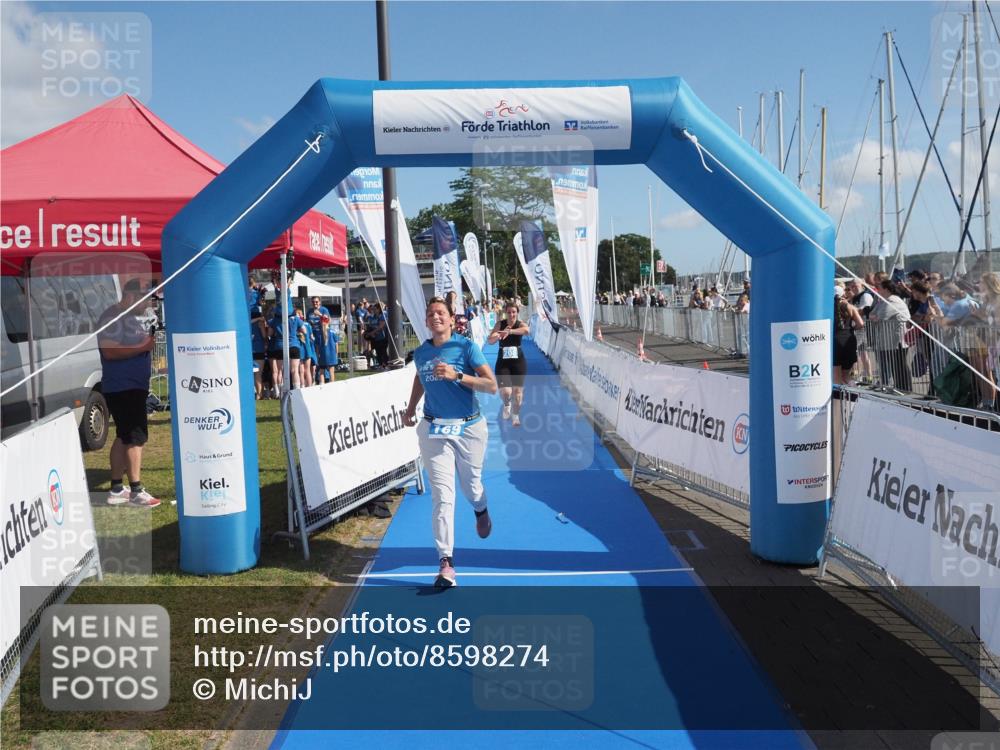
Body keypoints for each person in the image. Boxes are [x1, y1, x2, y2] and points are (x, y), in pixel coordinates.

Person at [402, 297, 498, 588]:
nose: (435, 317)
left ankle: (480, 508)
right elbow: (420, 379)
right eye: (431, 313)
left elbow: (491, 385)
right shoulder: (421, 353)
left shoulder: (466, 347)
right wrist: (410, 408)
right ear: (426, 321)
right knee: (442, 496)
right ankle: (446, 562)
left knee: (471, 486)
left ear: (451, 318)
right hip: (434, 428)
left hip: (469, 428)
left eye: (441, 312)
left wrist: (458, 375)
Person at [97, 278, 161, 507]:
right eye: (145, 299)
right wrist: (142, 347)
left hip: (132, 385)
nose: (147, 304)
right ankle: (136, 490)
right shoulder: (112, 317)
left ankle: (116, 488)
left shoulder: (131, 317)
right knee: (135, 437)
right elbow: (109, 350)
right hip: (123, 386)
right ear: (131, 295)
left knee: (124, 436)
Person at [488, 301, 530, 427]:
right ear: (505, 313)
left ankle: (515, 415)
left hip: (518, 362)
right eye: (509, 312)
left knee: (518, 393)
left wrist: (510, 332)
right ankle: (507, 404)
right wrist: (500, 334)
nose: (511, 315)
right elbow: (490, 340)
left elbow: (527, 330)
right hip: (503, 362)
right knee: (506, 392)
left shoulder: (520, 324)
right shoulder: (500, 324)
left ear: (517, 313)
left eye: (514, 312)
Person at [833, 289, 864, 385]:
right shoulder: (850, 307)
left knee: (836, 377)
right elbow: (861, 324)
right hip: (849, 340)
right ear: (843, 294)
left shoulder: (829, 307)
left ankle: (839, 395)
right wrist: (851, 328)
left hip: (836, 341)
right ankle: (854, 393)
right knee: (846, 375)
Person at [364, 302, 390, 368]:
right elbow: (371, 325)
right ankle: (381, 365)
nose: (373, 310)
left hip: (383, 337)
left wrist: (372, 333)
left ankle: (386, 365)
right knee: (378, 352)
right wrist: (368, 333)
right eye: (373, 309)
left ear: (379, 309)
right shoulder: (373, 316)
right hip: (375, 338)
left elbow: (381, 326)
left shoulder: (383, 315)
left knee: (383, 352)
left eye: (375, 309)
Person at [250, 305, 268, 399]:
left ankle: (254, 393)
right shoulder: (260, 322)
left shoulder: (246, 323)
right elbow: (264, 335)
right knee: (258, 374)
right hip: (259, 349)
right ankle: (259, 394)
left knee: (251, 373)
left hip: (250, 349)